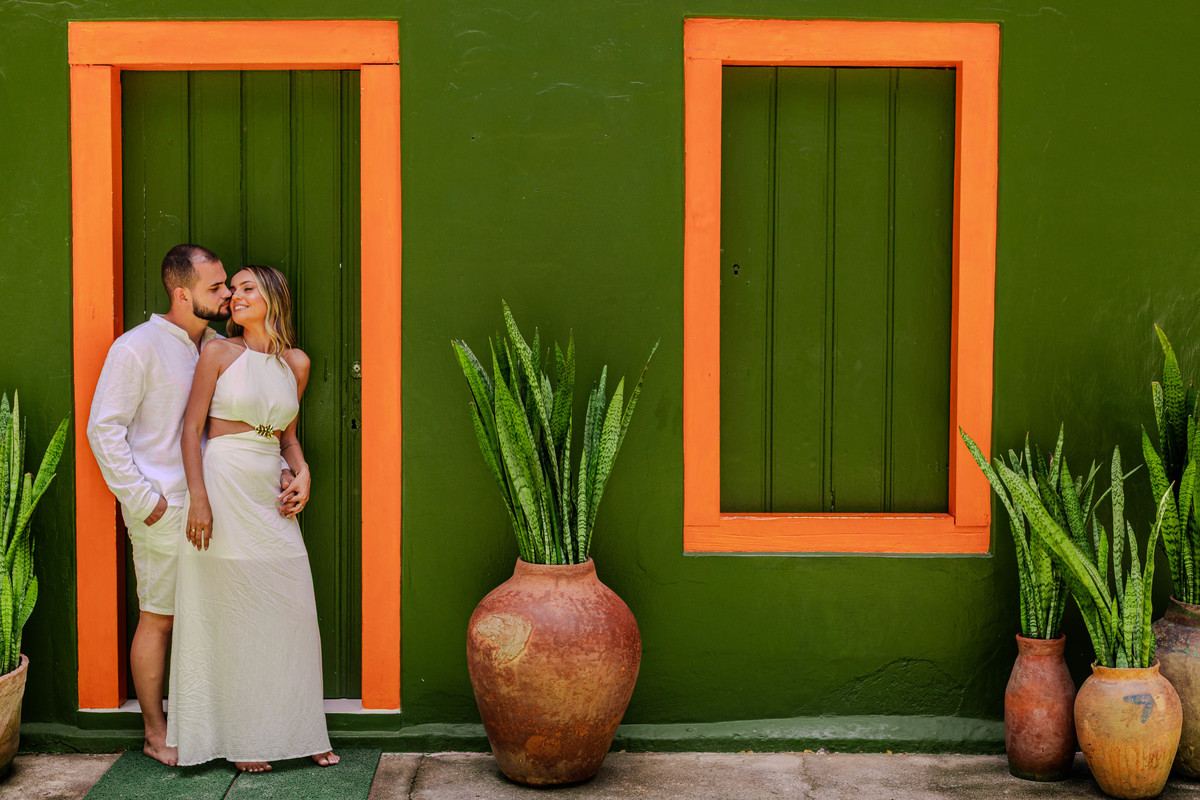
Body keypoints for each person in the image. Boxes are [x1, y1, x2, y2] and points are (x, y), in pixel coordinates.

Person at [167, 265, 338, 772]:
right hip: (222, 485)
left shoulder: (297, 363)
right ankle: (242, 738)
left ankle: (303, 729)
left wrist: (303, 473)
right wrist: (198, 498)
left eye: (246, 289)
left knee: (291, 610)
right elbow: (191, 429)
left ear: (273, 297)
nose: (234, 297)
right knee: (231, 611)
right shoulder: (218, 352)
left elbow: (285, 437)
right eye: (231, 290)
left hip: (270, 490)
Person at [86, 244, 241, 766]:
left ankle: (213, 725)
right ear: (182, 293)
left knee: (213, 616)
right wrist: (143, 499)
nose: (226, 295)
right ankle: (156, 732)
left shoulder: (219, 347)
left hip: (218, 506)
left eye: (225, 285)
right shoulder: (137, 347)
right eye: (215, 287)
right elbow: (103, 429)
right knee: (160, 618)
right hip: (164, 509)